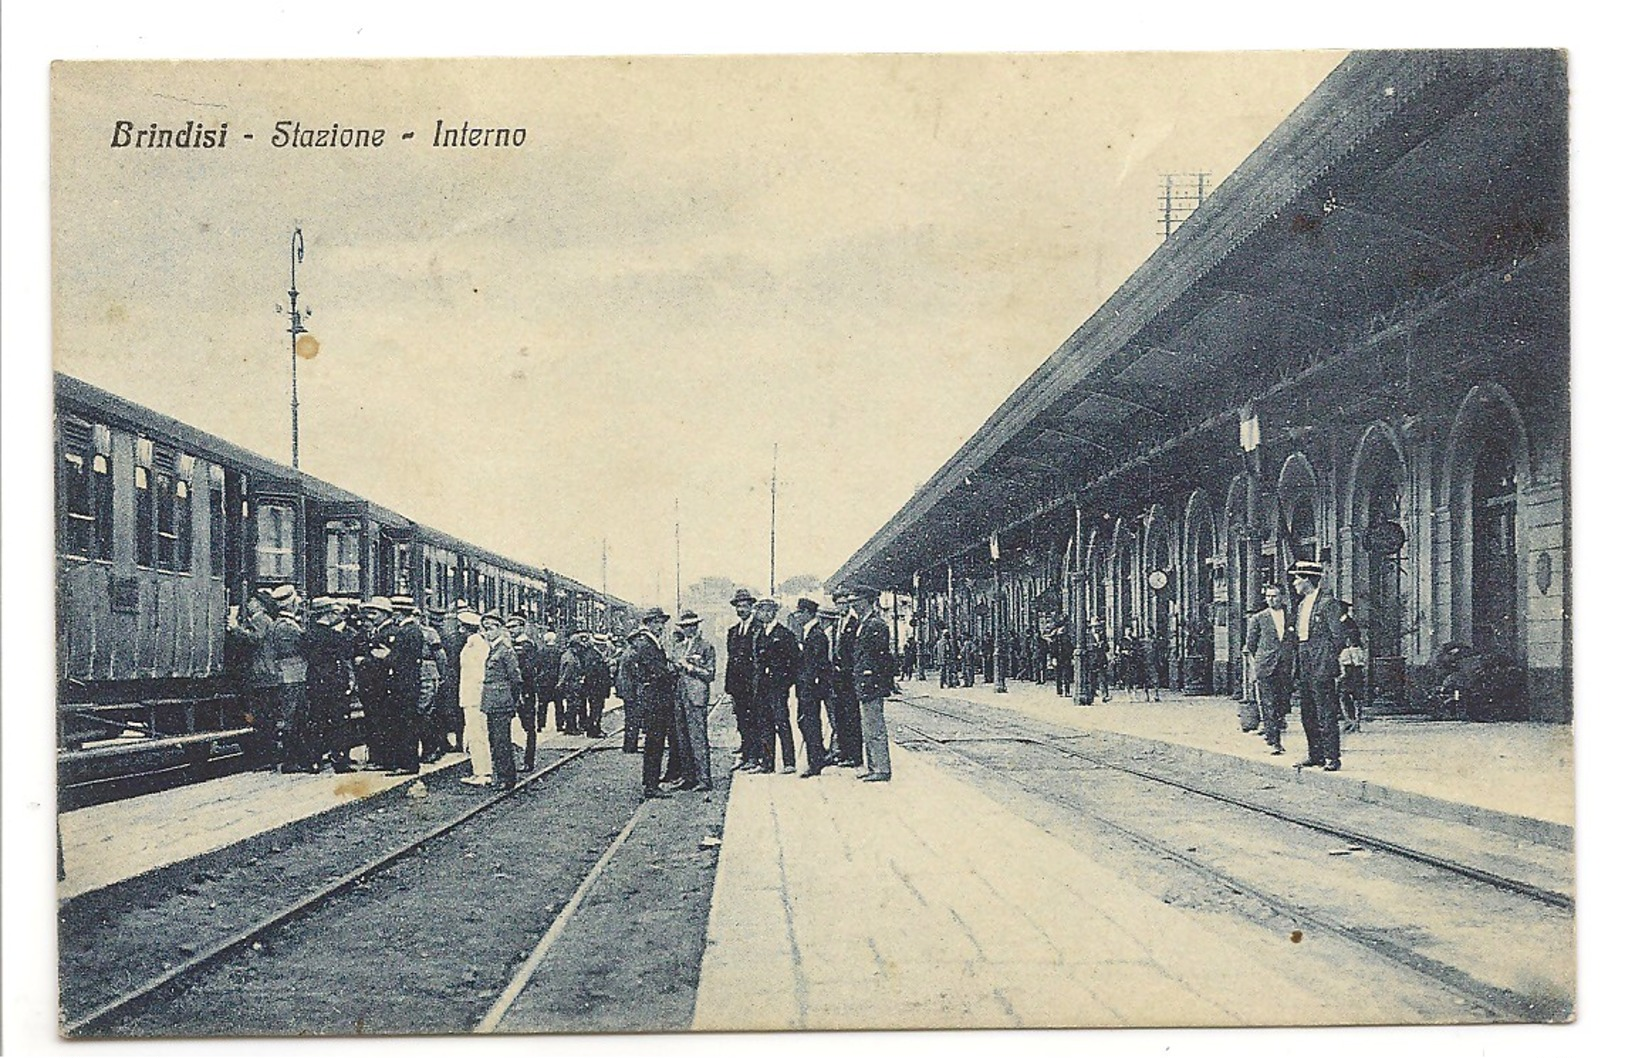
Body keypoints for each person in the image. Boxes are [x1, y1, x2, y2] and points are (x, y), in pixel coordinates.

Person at [1290, 560, 1351, 772]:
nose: (1295, 583)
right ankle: (1314, 754)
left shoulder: (1328, 604)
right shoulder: (1301, 605)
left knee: (1325, 711)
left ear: (1308, 579)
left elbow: (1339, 636)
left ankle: (1332, 757)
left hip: (1322, 662)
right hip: (1305, 660)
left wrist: (1327, 659)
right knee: (1307, 711)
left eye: (1297, 578)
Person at [625, 607, 679, 799]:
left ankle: (651, 782)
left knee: (654, 741)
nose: (661, 626)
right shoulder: (647, 644)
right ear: (649, 623)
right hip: (656, 698)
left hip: (654, 697)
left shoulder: (647, 642)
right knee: (654, 742)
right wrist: (673, 672)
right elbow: (657, 670)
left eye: (662, 623)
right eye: (657, 622)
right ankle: (651, 785)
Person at [227, 589, 282, 769]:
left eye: (251, 601)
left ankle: (266, 759)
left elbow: (255, 639)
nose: (248, 604)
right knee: (266, 718)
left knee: (263, 720)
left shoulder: (260, 619)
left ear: (259, 604)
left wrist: (235, 629)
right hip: (267, 675)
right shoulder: (264, 620)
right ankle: (268, 757)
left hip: (262, 675)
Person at [264, 584, 314, 773]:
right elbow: (302, 647)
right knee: (294, 717)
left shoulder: (282, 624)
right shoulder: (287, 627)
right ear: (292, 602)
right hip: (293, 676)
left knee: (294, 717)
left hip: (291, 675)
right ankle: (291, 761)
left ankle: (294, 759)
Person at [304, 598, 357, 773]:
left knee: (316, 720)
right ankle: (339, 760)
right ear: (328, 614)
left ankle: (314, 761)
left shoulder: (308, 634)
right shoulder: (336, 636)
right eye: (335, 612)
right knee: (338, 722)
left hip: (315, 682)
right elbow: (348, 652)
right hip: (335, 683)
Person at [849, 585, 895, 782]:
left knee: (874, 727)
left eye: (856, 601)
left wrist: (873, 677)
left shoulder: (875, 624)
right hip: (865, 682)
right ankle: (873, 766)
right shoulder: (864, 623)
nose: (853, 604)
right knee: (868, 726)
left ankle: (882, 769)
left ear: (867, 600)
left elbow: (879, 657)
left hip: (871, 682)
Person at [749, 598, 800, 774]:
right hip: (762, 686)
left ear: (772, 612)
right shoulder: (759, 634)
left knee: (781, 722)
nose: (761, 614)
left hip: (777, 687)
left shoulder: (784, 634)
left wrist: (785, 683)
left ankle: (789, 762)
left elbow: (794, 661)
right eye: (760, 611)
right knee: (764, 724)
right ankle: (767, 763)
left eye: (764, 611)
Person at [1244, 583, 1294, 755]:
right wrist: (1254, 668)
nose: (1271, 599)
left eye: (1275, 596)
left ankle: (1276, 730)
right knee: (1269, 703)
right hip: (1266, 666)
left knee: (1283, 703)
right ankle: (1274, 741)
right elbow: (1250, 646)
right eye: (1268, 596)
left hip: (1286, 666)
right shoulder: (1258, 618)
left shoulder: (1291, 616)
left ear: (1282, 597)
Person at [475, 611, 521, 790]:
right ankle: (502, 776)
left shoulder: (505, 650)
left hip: (501, 702)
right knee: (495, 739)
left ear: (500, 630)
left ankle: (507, 778)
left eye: (491, 628)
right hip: (493, 702)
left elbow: (515, 679)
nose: (487, 632)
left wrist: (512, 701)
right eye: (484, 629)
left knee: (502, 740)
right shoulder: (494, 649)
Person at [672, 610, 716, 792]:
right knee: (682, 739)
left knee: (698, 738)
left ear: (697, 626)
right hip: (680, 696)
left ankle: (704, 779)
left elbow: (710, 674)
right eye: (685, 626)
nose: (688, 629)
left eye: (691, 625)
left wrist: (690, 667)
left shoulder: (706, 646)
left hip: (696, 696)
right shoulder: (679, 647)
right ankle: (688, 777)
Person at [796, 603, 836, 778]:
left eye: (799, 613)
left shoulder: (816, 635)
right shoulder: (810, 633)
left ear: (807, 613)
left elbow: (818, 664)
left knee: (810, 723)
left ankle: (816, 761)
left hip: (811, 687)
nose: (797, 616)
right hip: (808, 686)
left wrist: (808, 682)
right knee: (805, 722)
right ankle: (819, 753)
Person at [457, 609, 494, 785]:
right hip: (474, 695)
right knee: (477, 734)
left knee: (477, 734)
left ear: (465, 628)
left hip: (475, 696)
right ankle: (480, 770)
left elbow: (479, 673)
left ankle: (482, 773)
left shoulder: (475, 645)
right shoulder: (478, 643)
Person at [829, 589, 865, 767]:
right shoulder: (837, 624)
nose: (841, 607)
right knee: (840, 715)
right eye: (838, 603)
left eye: (844, 603)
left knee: (852, 716)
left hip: (849, 676)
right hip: (838, 677)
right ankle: (843, 752)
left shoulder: (855, 623)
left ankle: (855, 755)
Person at [723, 589, 758, 769]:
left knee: (755, 720)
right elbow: (731, 660)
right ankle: (746, 752)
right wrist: (729, 687)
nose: (741, 610)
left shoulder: (758, 628)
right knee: (742, 720)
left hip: (753, 685)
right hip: (738, 686)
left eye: (744, 606)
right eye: (738, 607)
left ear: (751, 607)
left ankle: (755, 756)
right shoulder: (733, 631)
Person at [506, 616, 542, 769]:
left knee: (528, 726)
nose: (511, 630)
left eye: (513, 627)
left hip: (525, 690)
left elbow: (529, 670)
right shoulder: (512, 644)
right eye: (508, 627)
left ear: (522, 627)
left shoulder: (527, 645)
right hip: (514, 689)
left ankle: (528, 761)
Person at [1338, 613, 1367, 733]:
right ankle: (1352, 720)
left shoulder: (1346, 622)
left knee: (1351, 696)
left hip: (1351, 669)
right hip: (1352, 669)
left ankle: (1353, 721)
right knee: (1348, 696)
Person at [536, 630, 565, 733]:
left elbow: (537, 666)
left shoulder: (540, 652)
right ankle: (560, 725)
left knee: (542, 705)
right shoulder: (559, 651)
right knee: (559, 705)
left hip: (544, 682)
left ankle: (540, 725)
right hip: (556, 681)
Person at [1051, 618, 1074, 697]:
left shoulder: (1067, 637)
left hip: (1066, 658)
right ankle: (1060, 691)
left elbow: (1070, 647)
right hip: (1058, 658)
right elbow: (1053, 649)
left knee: (1066, 675)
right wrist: (1053, 657)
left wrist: (1071, 656)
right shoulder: (1056, 639)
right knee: (1058, 675)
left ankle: (1067, 691)